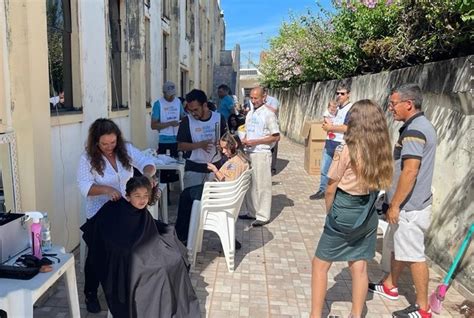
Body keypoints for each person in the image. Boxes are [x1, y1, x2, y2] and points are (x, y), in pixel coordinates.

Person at [311, 100, 393, 318]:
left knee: (320, 263)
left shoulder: (347, 149)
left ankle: (315, 314)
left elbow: (330, 187)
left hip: (344, 207)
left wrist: (330, 213)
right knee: (359, 264)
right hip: (367, 210)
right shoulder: (382, 150)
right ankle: (357, 314)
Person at [81, 176, 200, 318]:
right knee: (157, 270)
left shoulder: (140, 211)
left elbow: (148, 229)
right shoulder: (115, 210)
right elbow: (111, 237)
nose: (142, 200)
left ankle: (168, 304)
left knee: (173, 260)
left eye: (145, 196)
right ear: (127, 196)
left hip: (142, 247)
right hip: (126, 253)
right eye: (137, 196)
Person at [368, 84, 437, 318]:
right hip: (406, 204)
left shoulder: (415, 131)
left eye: (393, 103)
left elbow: (410, 171)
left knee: (415, 256)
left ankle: (423, 308)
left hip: (410, 206)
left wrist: (396, 204)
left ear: (408, 104)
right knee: (399, 246)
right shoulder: (415, 126)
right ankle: (390, 285)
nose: (390, 108)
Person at [77, 118, 156, 313]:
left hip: (125, 212)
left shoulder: (126, 150)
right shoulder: (87, 159)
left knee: (133, 248)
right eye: (104, 144)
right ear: (96, 142)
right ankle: (91, 293)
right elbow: (84, 186)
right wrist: (105, 189)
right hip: (99, 214)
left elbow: (147, 163)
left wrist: (147, 176)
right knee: (97, 253)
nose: (109, 147)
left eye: (112, 143)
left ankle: (126, 286)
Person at [174, 133, 250, 244]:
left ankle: (181, 235)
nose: (223, 152)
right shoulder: (241, 159)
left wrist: (215, 170)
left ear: (235, 145)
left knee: (186, 195)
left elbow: (228, 183)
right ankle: (184, 233)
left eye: (225, 148)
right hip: (220, 193)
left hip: (218, 195)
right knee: (188, 194)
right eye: (222, 148)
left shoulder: (235, 163)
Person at [239, 87, 280, 227]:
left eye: (256, 98)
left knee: (262, 185)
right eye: (251, 98)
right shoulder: (250, 113)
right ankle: (252, 211)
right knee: (249, 184)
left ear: (264, 97)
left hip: (261, 153)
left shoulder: (269, 114)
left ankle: (263, 215)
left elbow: (276, 136)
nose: (253, 100)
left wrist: (255, 142)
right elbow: (248, 130)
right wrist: (244, 138)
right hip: (249, 152)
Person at [310, 84, 353, 200]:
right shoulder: (336, 107)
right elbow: (327, 117)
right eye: (337, 93)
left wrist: (330, 128)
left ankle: (337, 193)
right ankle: (322, 190)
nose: (339, 96)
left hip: (341, 143)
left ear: (348, 94)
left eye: (342, 93)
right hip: (330, 141)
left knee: (339, 171)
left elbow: (347, 127)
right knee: (324, 169)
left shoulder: (351, 108)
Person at [177, 89, 227, 189]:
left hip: (215, 167)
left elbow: (227, 141)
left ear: (204, 105)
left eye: (196, 110)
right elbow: (180, 146)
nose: (193, 113)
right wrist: (199, 145)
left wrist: (222, 145)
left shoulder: (219, 118)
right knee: (193, 202)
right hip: (194, 168)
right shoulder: (186, 121)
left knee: (213, 202)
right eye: (190, 110)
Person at [151, 81, 186, 182]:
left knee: (177, 169)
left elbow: (182, 116)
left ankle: (175, 189)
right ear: (164, 93)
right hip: (164, 141)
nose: (171, 97)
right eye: (169, 94)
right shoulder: (158, 104)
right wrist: (169, 124)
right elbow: (153, 125)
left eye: (173, 94)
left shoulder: (178, 102)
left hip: (177, 140)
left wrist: (183, 119)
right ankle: (166, 192)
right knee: (165, 172)